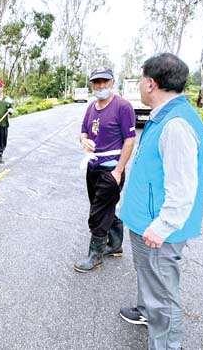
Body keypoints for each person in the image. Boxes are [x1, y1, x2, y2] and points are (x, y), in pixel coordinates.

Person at [117, 53, 203, 350]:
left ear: (151, 84)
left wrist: (163, 225)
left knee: (163, 296)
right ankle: (145, 312)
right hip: (146, 222)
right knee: (150, 279)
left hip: (158, 230)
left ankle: (167, 344)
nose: (141, 86)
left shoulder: (176, 125)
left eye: (142, 80)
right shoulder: (165, 116)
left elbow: (182, 187)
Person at [74, 67, 136, 273]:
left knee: (98, 213)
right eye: (96, 82)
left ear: (112, 82)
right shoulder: (91, 107)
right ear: (92, 84)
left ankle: (95, 255)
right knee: (102, 207)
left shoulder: (123, 107)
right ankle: (116, 245)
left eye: (104, 82)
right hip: (92, 165)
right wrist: (84, 140)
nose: (100, 86)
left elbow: (129, 140)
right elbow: (83, 131)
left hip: (111, 167)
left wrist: (119, 170)